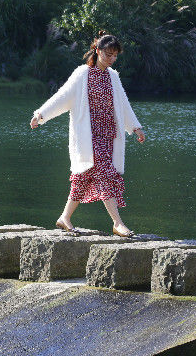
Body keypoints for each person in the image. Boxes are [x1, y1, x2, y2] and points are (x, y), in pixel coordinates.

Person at [29, 31, 146, 237]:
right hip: (89, 137)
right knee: (104, 174)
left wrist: (135, 127)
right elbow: (62, 96)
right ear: (97, 51)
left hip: (108, 136)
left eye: (115, 55)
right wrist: (41, 114)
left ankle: (64, 217)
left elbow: (123, 104)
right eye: (108, 54)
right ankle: (118, 223)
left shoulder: (113, 76)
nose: (112, 59)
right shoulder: (83, 74)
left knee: (83, 178)